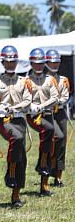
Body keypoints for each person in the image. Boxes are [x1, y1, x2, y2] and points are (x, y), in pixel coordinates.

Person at [0, 45, 32, 208]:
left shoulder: (24, 81)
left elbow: (28, 100)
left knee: (22, 155)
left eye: (13, 61)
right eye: (7, 61)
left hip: (19, 119)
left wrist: (16, 108)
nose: (10, 64)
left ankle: (16, 194)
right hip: (4, 120)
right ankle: (10, 171)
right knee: (16, 139)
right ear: (2, 62)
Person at [26, 47, 60, 196]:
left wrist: (41, 105)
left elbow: (55, 98)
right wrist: (30, 106)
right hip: (34, 116)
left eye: (41, 63)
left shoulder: (50, 80)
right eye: (35, 63)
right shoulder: (25, 80)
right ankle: (42, 164)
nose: (38, 65)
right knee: (48, 131)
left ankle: (44, 184)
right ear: (31, 63)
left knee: (51, 144)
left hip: (47, 114)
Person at [46, 49, 69, 187]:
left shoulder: (63, 80)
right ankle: (47, 172)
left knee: (62, 143)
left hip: (60, 113)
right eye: (52, 62)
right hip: (47, 114)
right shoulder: (42, 80)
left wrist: (56, 101)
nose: (55, 65)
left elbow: (65, 96)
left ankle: (58, 176)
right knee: (53, 141)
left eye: (57, 62)